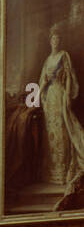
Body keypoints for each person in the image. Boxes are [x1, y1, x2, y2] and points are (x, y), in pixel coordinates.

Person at [39, 25, 84, 189]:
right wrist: (41, 95)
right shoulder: (47, 60)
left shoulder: (64, 56)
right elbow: (43, 79)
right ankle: (52, 173)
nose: (55, 41)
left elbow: (70, 76)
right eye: (53, 39)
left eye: (58, 38)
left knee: (62, 132)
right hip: (49, 98)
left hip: (60, 95)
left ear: (60, 40)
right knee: (51, 134)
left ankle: (64, 172)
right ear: (50, 41)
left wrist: (67, 96)